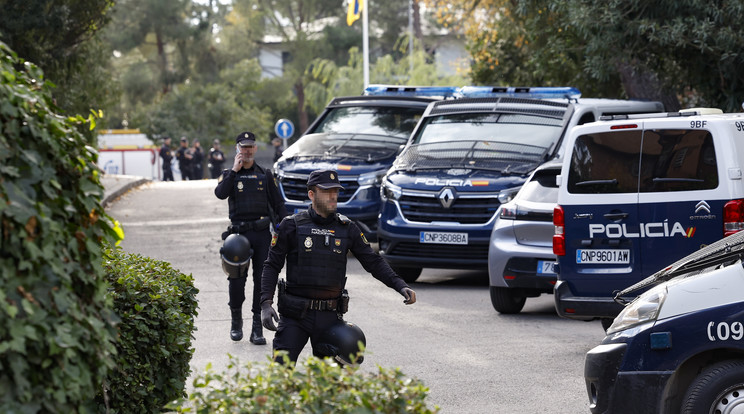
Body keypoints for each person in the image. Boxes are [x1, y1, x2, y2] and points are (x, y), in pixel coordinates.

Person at [260, 169, 417, 364]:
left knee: (332, 384)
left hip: (329, 318)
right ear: (312, 194)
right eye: (326, 191)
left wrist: (400, 285)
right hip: (295, 315)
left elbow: (373, 262)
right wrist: (265, 303)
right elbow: (272, 265)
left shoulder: (347, 228)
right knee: (281, 374)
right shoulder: (291, 226)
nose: (333, 196)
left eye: (335, 191)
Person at [215, 131, 289, 344]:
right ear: (237, 149)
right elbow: (220, 193)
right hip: (238, 236)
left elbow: (278, 204)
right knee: (236, 281)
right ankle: (236, 321)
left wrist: (286, 225)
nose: (246, 151)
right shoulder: (230, 174)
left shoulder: (265, 174)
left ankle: (258, 327)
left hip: (261, 233)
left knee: (261, 281)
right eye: (243, 147)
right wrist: (234, 171)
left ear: (255, 149)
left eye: (250, 147)